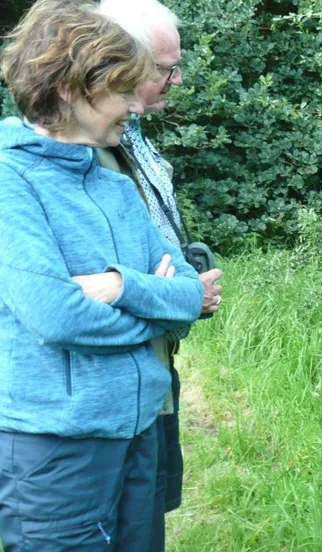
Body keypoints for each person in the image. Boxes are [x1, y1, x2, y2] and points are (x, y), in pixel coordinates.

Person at [0, 1, 204, 550]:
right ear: (70, 89)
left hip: (139, 432)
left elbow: (188, 290)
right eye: (121, 92)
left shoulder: (115, 184)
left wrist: (121, 288)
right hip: (57, 446)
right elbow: (56, 315)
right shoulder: (10, 180)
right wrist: (153, 315)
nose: (134, 108)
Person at [95, 1, 223, 549]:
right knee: (123, 517)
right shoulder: (84, 151)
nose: (177, 79)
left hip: (154, 359)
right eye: (164, 69)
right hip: (114, 379)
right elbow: (91, 285)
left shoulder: (134, 133)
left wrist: (186, 291)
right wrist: (179, 296)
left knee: (149, 511)